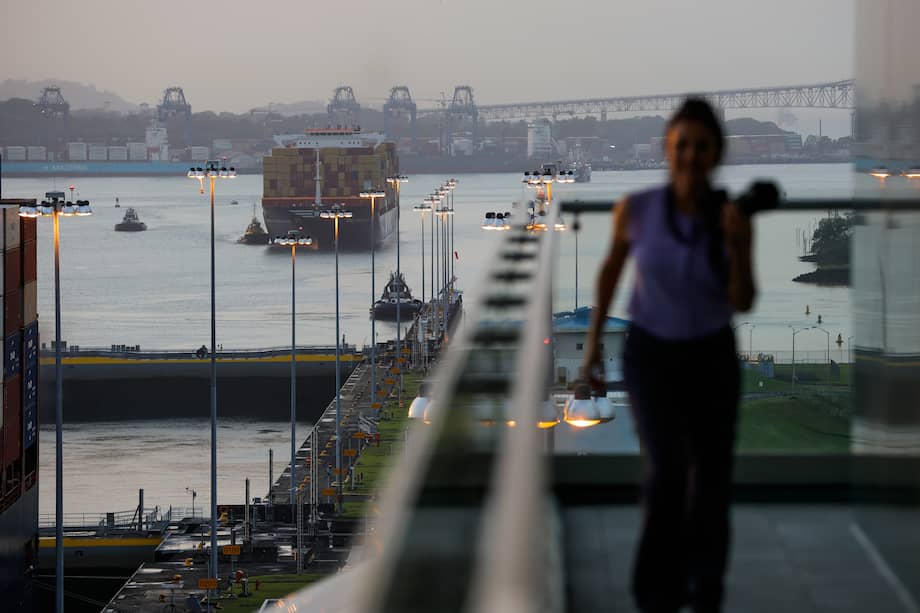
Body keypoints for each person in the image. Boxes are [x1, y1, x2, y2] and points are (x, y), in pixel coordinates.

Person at [582, 98, 755, 613]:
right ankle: (655, 591)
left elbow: (743, 300)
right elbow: (611, 272)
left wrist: (740, 245)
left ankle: (706, 589)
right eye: (682, 145)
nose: (691, 155)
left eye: (702, 146)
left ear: (717, 153)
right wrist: (592, 345)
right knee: (667, 472)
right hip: (651, 355)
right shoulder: (636, 209)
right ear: (666, 149)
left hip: (711, 356)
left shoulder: (729, 214)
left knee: (711, 477)